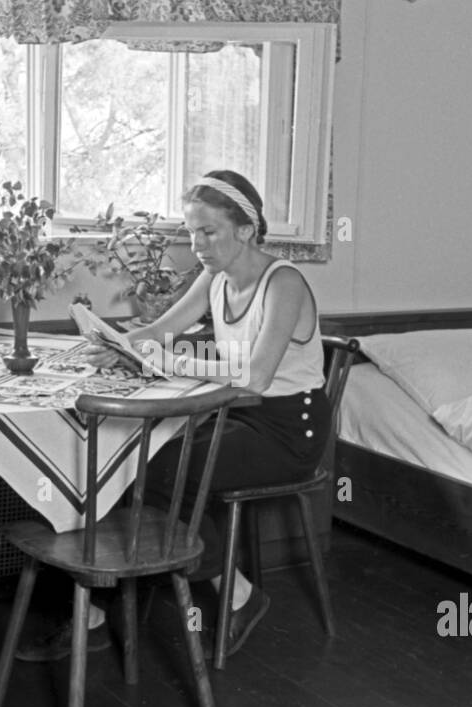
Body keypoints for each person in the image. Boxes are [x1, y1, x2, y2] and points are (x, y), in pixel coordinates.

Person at [17, 169, 327, 661]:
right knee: (133, 456)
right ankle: (95, 615)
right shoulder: (215, 276)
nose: (197, 244)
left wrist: (170, 359)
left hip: (289, 429)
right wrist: (114, 345)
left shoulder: (283, 283)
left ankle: (239, 596)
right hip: (235, 415)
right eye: (191, 232)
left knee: (164, 469)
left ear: (245, 229)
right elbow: (162, 329)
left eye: (209, 232)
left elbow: (257, 377)